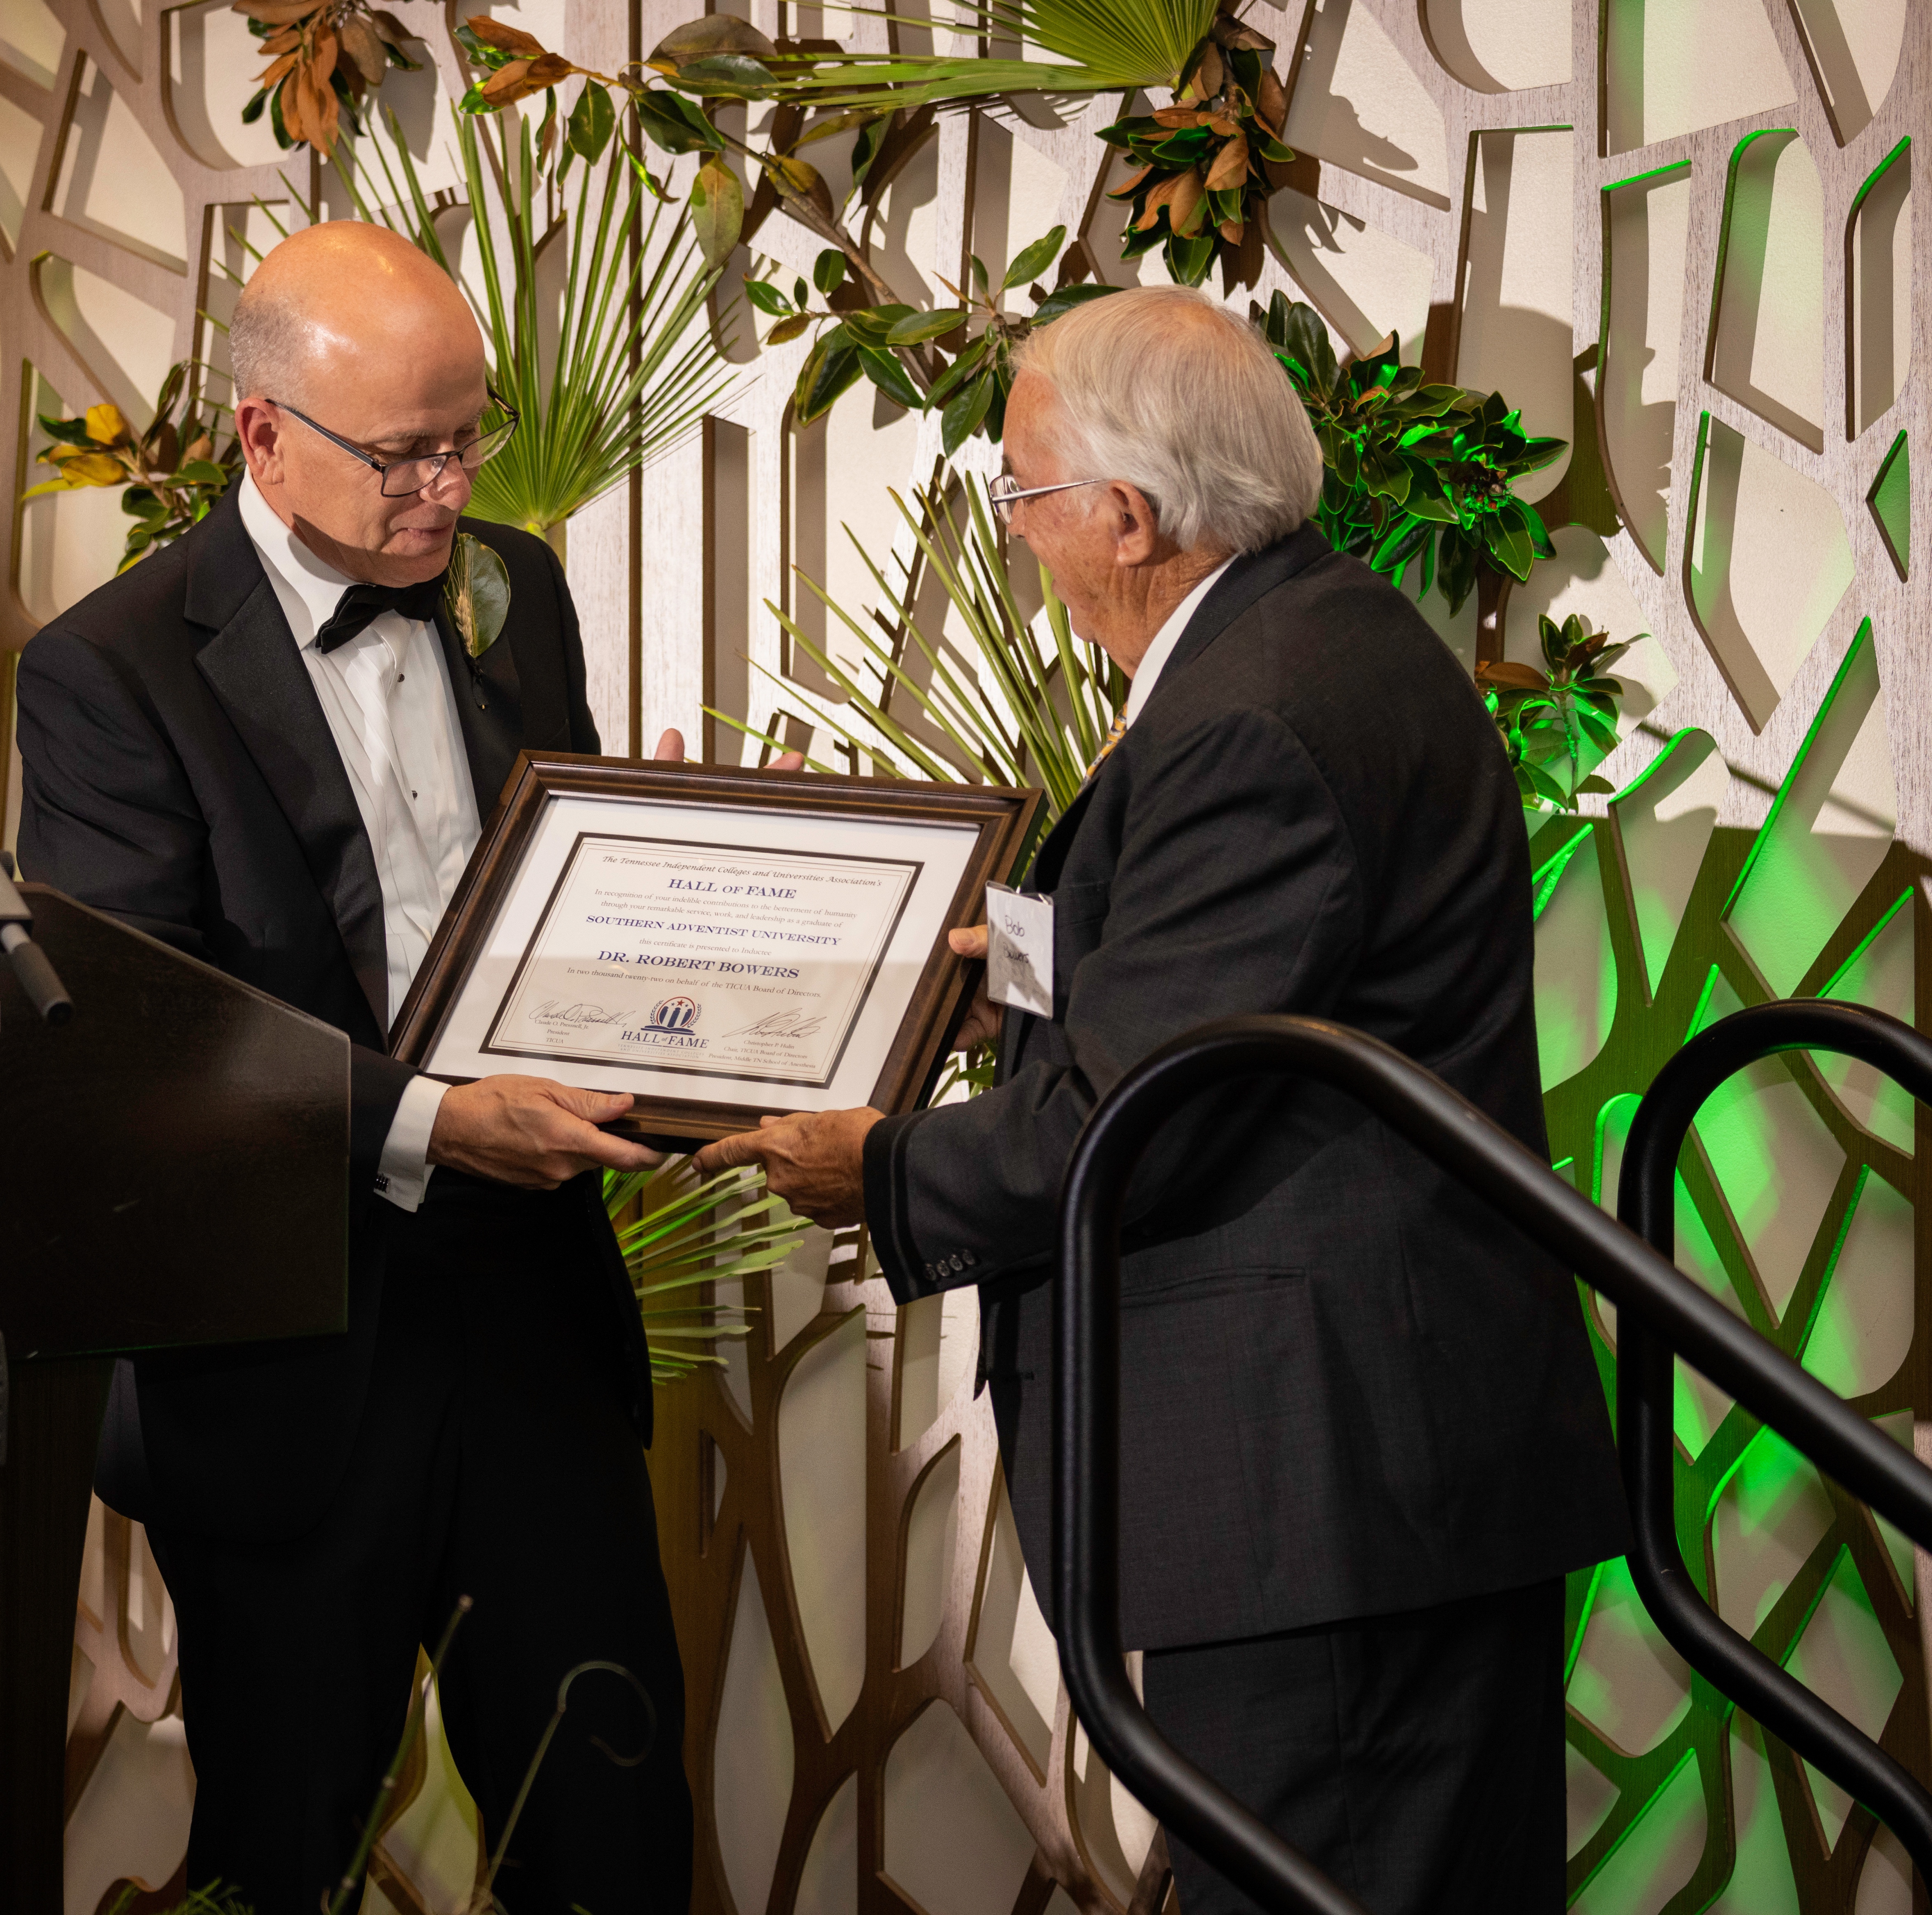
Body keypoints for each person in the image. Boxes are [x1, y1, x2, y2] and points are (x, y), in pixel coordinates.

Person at [692, 287, 1627, 1914]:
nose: (1019, 534)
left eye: (1020, 495)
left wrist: (883, 1169)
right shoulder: (1325, 637)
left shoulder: (1250, 714)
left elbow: (1149, 1116)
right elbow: (1238, 982)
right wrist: (1002, 962)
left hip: (1318, 1497)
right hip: (1370, 1481)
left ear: (1123, 516)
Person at [12, 221, 694, 1915]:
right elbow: (143, 1030)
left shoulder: (514, 588)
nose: (451, 489)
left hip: (533, 1315)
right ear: (263, 435)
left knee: (612, 1832)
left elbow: (545, 894)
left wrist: (665, 868)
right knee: (279, 1850)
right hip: (290, 1357)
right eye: (405, 454)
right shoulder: (108, 672)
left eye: (466, 437)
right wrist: (428, 1124)